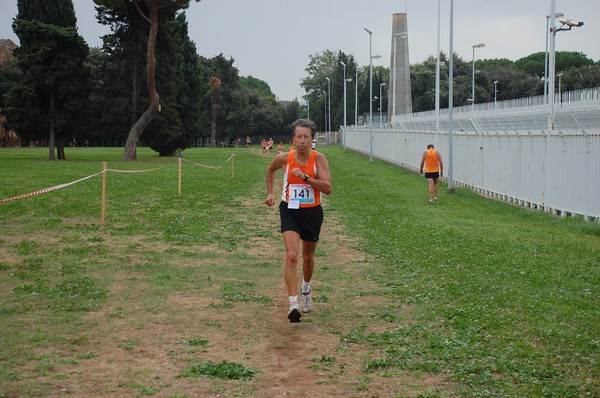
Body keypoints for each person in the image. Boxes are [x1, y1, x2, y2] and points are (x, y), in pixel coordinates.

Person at [265, 119, 332, 323]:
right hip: (290, 210)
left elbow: (328, 188)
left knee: (308, 257)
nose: (302, 141)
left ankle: (306, 287)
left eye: (306, 137)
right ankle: (293, 304)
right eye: (298, 137)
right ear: (292, 140)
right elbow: (270, 170)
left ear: (312, 140)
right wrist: (270, 193)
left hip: (312, 212)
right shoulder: (284, 158)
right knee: (292, 255)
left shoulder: (318, 159)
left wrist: (306, 178)